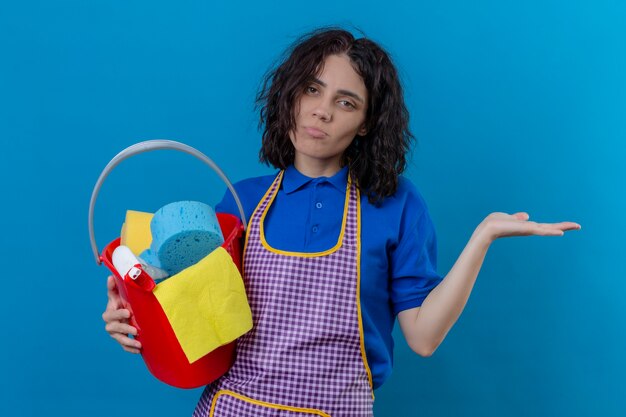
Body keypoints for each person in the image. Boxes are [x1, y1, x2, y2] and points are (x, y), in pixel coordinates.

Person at [102, 27, 581, 416]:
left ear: (367, 122)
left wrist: (484, 236)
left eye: (346, 102)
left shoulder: (395, 205)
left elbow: (424, 337)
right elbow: (195, 324)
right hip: (233, 407)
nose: (322, 111)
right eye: (312, 89)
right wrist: (134, 313)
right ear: (291, 95)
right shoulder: (239, 201)